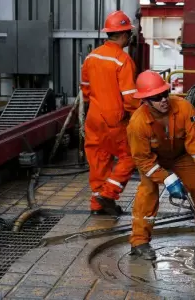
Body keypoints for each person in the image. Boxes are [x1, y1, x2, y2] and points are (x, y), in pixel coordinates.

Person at [127, 70, 195, 259]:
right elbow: (142, 159)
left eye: (165, 93)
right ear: (146, 100)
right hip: (152, 160)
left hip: (181, 155)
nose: (163, 99)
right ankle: (139, 242)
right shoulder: (137, 123)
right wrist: (168, 180)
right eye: (156, 97)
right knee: (147, 193)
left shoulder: (185, 108)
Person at [80, 10, 141, 216]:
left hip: (94, 117)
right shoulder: (122, 60)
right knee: (130, 156)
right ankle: (108, 194)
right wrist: (139, 116)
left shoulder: (91, 56)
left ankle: (97, 204)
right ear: (124, 35)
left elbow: (85, 88)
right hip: (114, 119)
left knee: (98, 158)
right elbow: (131, 97)